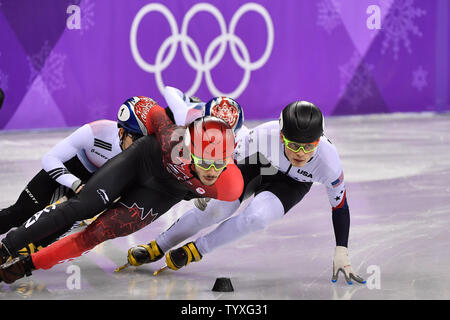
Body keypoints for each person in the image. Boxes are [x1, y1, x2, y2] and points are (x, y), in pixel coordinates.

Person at [0, 96, 244, 284]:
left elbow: (220, 210)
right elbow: (150, 106)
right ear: (188, 150)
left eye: (219, 163)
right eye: (204, 161)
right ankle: (6, 248)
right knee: (82, 207)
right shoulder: (172, 137)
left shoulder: (230, 185)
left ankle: (20, 268)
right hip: (141, 161)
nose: (211, 171)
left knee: (96, 234)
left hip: (163, 193)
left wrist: (198, 197)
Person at [125, 100, 366, 285]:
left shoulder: (329, 163)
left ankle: (196, 250)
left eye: (308, 147)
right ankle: (158, 245)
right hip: (257, 164)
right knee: (216, 208)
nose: (300, 154)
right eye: (293, 145)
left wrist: (341, 250)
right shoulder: (264, 135)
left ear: (319, 141)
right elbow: (226, 160)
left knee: (257, 218)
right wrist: (209, 190)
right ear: (281, 136)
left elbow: (340, 207)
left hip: (290, 184)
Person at [0, 96, 150, 247]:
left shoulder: (147, 153)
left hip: (98, 183)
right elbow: (50, 158)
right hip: (72, 169)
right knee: (21, 213)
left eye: (146, 139)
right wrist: (75, 183)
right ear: (122, 131)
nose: (141, 145)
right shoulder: (98, 131)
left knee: (52, 232)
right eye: (136, 138)